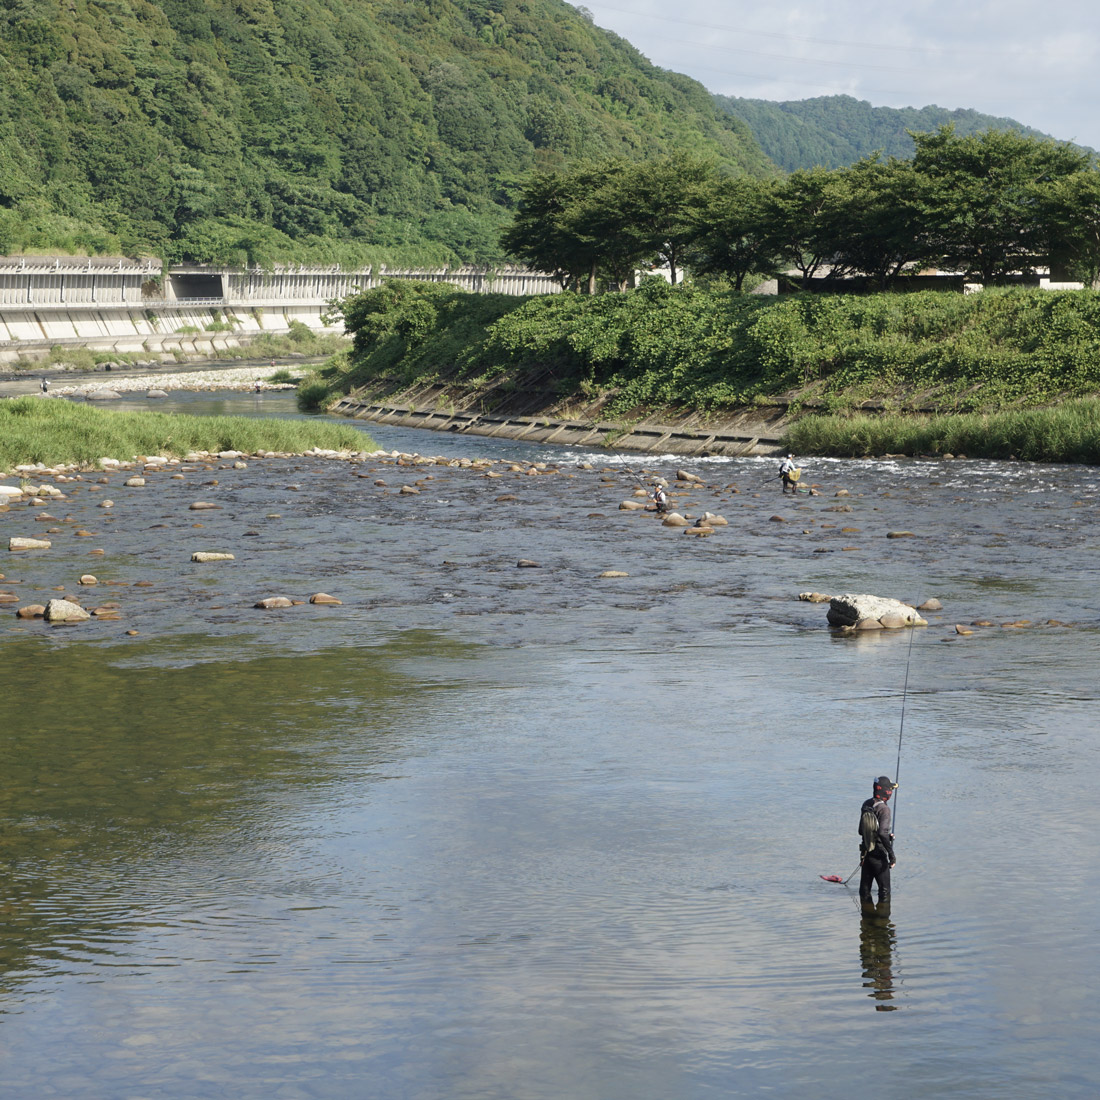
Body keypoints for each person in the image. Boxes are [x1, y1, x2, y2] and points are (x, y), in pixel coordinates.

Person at [858, 776, 897, 908]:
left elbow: (861, 831)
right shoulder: (884, 809)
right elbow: (881, 833)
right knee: (885, 892)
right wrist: (891, 855)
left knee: (864, 891)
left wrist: (886, 836)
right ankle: (882, 917)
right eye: (890, 789)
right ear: (886, 792)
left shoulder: (866, 804)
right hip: (879, 856)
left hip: (866, 854)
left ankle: (866, 916)